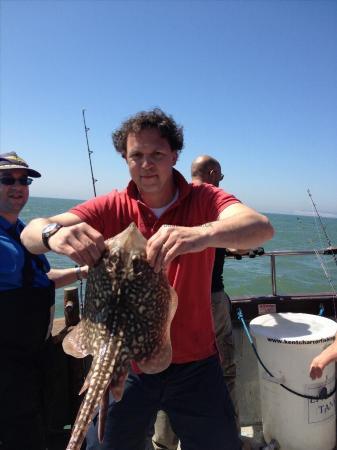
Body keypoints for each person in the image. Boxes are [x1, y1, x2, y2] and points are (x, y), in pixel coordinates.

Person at [21, 108, 274, 450]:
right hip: (128, 363)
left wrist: (201, 234)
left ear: (174, 155)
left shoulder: (205, 199)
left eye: (156, 154)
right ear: (125, 159)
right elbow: (31, 234)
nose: (146, 164)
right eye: (136, 155)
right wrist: (52, 234)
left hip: (196, 362)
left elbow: (261, 227)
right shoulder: (111, 205)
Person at [152, 155, 264, 450]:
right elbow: (240, 239)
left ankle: (163, 442)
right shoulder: (213, 202)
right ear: (213, 173)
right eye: (221, 177)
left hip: (168, 302)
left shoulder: (173, 201)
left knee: (166, 369)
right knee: (223, 370)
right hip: (209, 300)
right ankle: (229, 438)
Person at [0, 151, 88, 450]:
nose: (17, 186)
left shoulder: (24, 231)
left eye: (23, 180)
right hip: (6, 364)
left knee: (36, 429)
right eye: (6, 179)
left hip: (35, 357)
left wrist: (83, 271)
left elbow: (41, 279)